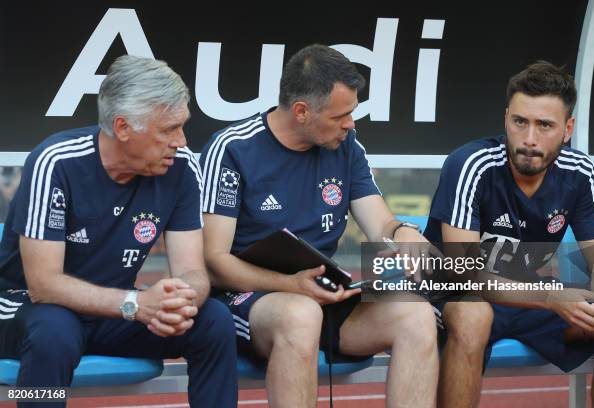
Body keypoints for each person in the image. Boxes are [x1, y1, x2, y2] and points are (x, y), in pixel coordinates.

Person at [200, 44, 438, 407]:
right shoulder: (232, 148)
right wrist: (290, 285)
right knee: (300, 314)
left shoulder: (346, 146)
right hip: (249, 300)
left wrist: (401, 232)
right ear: (301, 111)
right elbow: (214, 262)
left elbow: (381, 223)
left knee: (416, 314)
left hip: (324, 293)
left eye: (353, 113)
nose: (351, 124)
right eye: (340, 115)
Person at [0, 55, 238, 407]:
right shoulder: (55, 161)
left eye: (182, 126)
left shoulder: (182, 167)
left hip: (116, 309)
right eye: (168, 129)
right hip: (27, 307)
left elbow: (192, 271)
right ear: (123, 127)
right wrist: (136, 304)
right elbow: (43, 285)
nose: (182, 141)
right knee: (55, 333)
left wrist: (181, 299)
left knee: (213, 318)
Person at [424, 61, 594, 407]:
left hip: (527, 298)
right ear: (506, 118)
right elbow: (463, 274)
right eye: (520, 122)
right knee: (472, 316)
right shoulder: (471, 163)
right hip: (455, 296)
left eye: (545, 126)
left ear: (567, 128)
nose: (529, 139)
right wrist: (551, 298)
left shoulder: (580, 171)